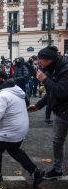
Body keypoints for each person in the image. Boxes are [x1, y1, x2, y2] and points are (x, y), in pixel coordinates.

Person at [0, 79, 45, 188]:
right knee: (14, 150)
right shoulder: (14, 91)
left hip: (11, 130)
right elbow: (1, 105)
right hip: (19, 128)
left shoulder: (3, 95)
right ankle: (34, 171)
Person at [28, 46, 68, 179]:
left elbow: (61, 91)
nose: (38, 62)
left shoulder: (65, 68)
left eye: (40, 60)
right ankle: (57, 169)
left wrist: (44, 79)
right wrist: (38, 105)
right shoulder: (50, 68)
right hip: (61, 111)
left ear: (49, 60)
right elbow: (51, 92)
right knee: (57, 141)